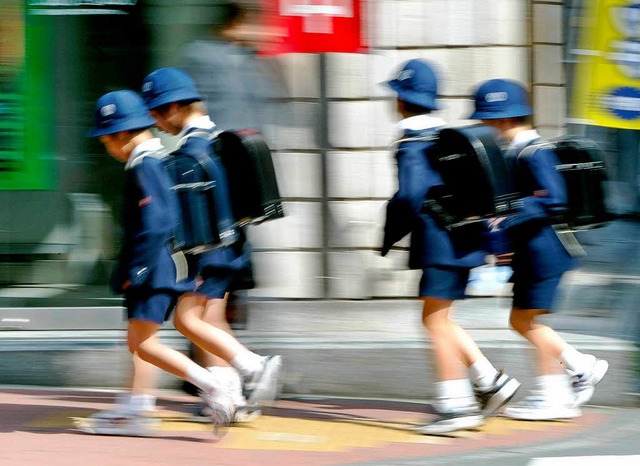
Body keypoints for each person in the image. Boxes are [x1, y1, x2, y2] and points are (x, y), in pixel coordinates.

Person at [85, 89, 279, 436]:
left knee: (145, 342)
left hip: (154, 269)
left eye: (105, 140)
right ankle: (141, 407)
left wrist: (138, 268)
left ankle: (214, 385)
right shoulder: (155, 160)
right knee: (145, 339)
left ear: (120, 135)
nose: (106, 148)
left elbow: (158, 220)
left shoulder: (146, 164)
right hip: (162, 267)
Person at [381, 59, 521, 435]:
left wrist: (390, 230)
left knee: (433, 320)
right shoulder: (444, 137)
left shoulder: (412, 142)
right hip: (464, 240)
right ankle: (490, 380)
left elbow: (410, 196)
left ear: (400, 98)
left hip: (438, 243)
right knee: (441, 317)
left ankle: (455, 404)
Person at [141, 66, 281, 423]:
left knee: (187, 320)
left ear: (173, 108)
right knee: (211, 319)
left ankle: (255, 367)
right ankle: (229, 398)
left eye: (157, 113)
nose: (157, 123)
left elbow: (187, 217)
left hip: (208, 252)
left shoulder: (191, 152)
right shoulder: (222, 140)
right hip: (234, 248)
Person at [469, 78, 609, 420]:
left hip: (544, 251)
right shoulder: (518, 152)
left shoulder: (534, 152)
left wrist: (507, 222)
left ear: (503, 119)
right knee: (527, 320)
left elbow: (554, 199)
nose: (485, 127)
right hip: (534, 251)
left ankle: (580, 367)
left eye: (487, 120)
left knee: (523, 321)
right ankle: (554, 394)